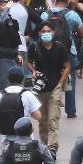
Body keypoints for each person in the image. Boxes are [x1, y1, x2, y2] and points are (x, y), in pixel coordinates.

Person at [28, 21, 70, 154]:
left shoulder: (60, 48)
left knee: (53, 119)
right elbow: (29, 62)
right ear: (39, 33)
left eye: (48, 31)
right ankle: (44, 146)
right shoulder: (34, 47)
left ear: (53, 32)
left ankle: (52, 148)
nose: (46, 34)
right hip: (40, 89)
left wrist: (60, 83)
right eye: (43, 31)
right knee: (43, 120)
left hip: (55, 87)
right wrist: (34, 71)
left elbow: (67, 66)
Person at [0, 66, 42, 145]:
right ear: (22, 79)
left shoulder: (0, 94)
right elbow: (38, 116)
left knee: (5, 157)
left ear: (8, 78)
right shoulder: (27, 94)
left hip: (6, 140)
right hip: (26, 140)